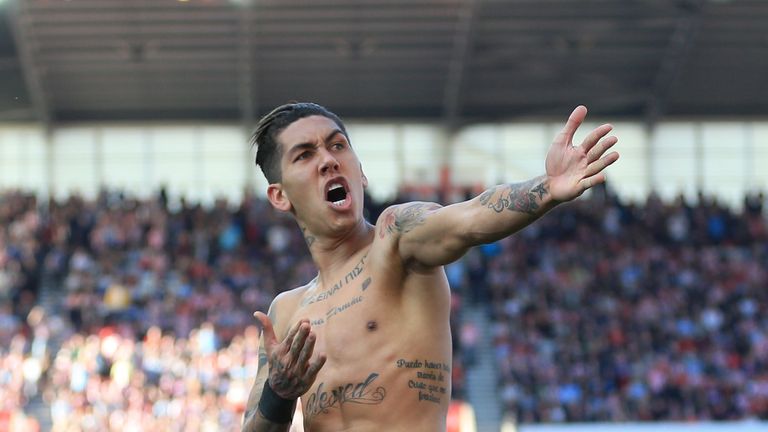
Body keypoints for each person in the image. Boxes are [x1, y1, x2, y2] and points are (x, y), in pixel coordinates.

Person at [242, 102, 619, 432]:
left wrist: (546, 189)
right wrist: (279, 392)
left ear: (361, 174)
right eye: (305, 155)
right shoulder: (286, 312)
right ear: (279, 196)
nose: (328, 160)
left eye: (337, 145)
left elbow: (469, 218)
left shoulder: (395, 238)